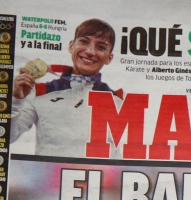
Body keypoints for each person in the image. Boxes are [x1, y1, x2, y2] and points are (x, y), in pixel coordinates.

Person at [11, 18, 120, 157]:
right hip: (49, 177)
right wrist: (16, 100)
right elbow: (6, 137)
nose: (90, 51)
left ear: (109, 58)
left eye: (101, 47)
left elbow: (118, 157)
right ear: (71, 46)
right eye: (84, 41)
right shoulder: (41, 93)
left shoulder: (118, 101)